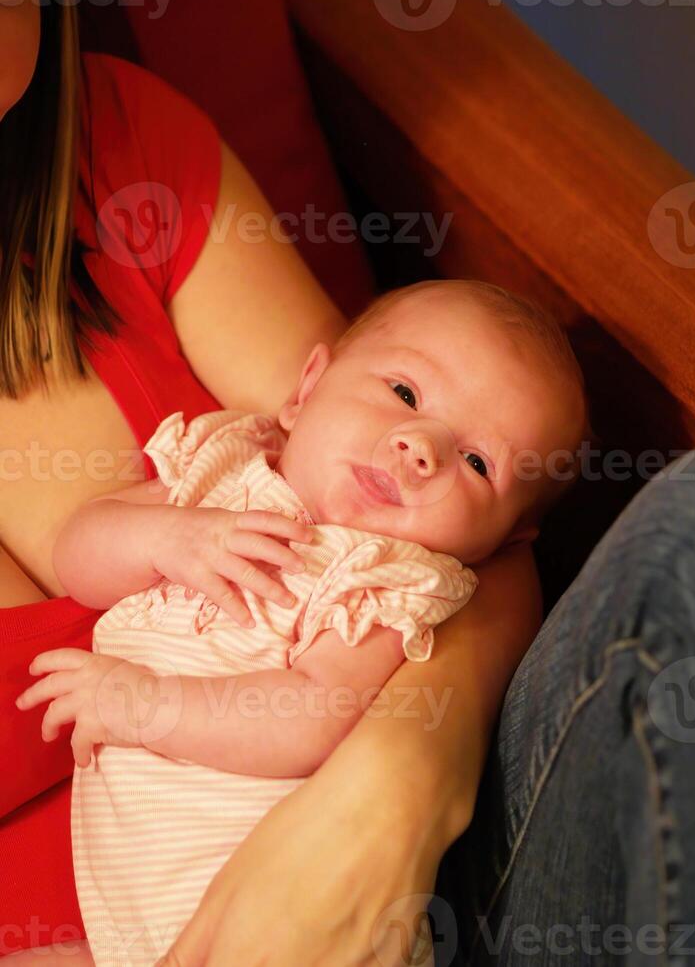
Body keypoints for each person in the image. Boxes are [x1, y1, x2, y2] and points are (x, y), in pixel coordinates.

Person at [0, 0, 541, 964]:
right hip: (124, 932)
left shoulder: (116, 150)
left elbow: (471, 534)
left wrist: (397, 791)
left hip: (405, 871)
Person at [13, 280, 587, 966]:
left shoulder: (383, 579)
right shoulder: (215, 473)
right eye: (404, 394)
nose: (419, 448)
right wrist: (169, 538)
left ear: (500, 542)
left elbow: (317, 713)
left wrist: (145, 705)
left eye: (475, 463)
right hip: (139, 926)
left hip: (289, 915)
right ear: (305, 388)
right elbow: (77, 555)